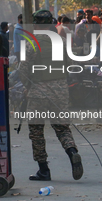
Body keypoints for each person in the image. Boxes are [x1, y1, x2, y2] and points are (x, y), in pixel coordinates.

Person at [19, 9, 83, 181]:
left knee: (36, 131)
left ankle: (43, 170)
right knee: (62, 128)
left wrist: (26, 87)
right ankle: (72, 152)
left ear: (35, 25)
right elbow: (71, 64)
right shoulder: (62, 42)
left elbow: (22, 71)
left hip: (38, 93)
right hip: (60, 91)